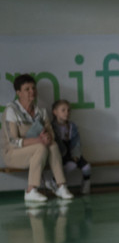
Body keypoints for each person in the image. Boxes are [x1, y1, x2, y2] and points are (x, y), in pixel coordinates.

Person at [1, 74, 74, 203]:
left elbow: (51, 134)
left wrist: (47, 137)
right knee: (41, 147)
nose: (32, 91)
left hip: (39, 151)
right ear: (18, 93)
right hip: (13, 153)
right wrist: (39, 141)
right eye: (27, 89)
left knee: (53, 145)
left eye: (33, 88)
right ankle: (31, 190)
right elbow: (12, 141)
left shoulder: (41, 111)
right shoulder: (11, 110)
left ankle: (61, 186)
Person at [51, 100, 92, 195]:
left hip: (73, 152)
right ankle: (55, 181)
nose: (67, 113)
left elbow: (76, 142)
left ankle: (85, 185)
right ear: (55, 112)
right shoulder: (52, 127)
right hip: (61, 154)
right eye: (63, 110)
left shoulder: (72, 126)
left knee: (87, 167)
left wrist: (76, 155)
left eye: (68, 110)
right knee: (71, 166)